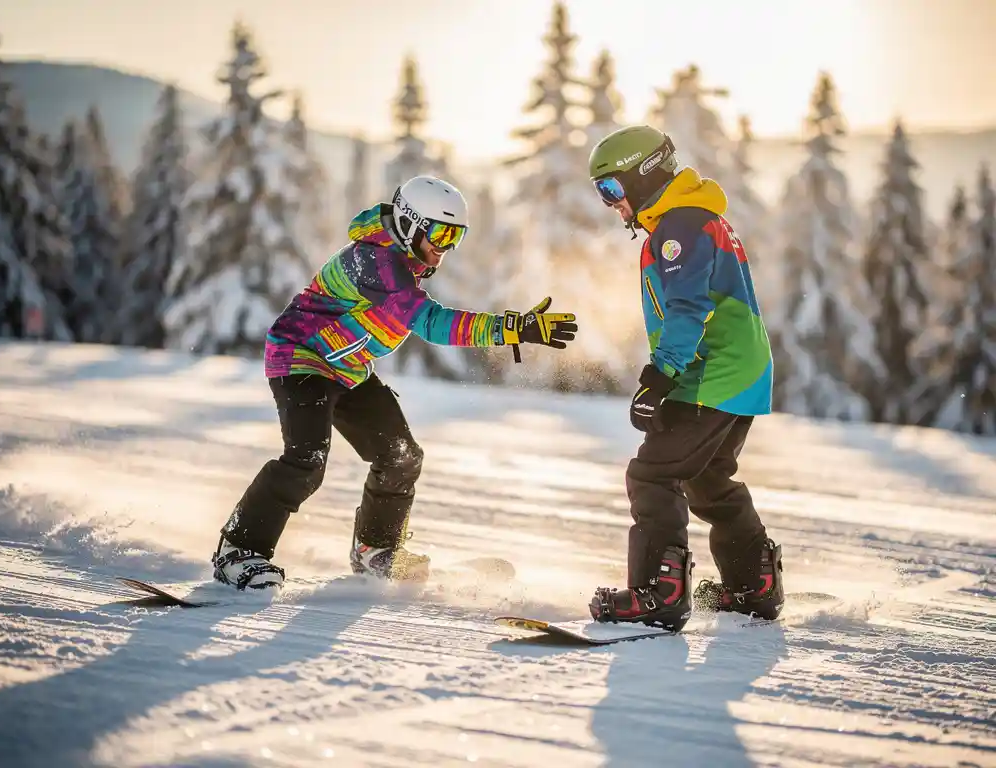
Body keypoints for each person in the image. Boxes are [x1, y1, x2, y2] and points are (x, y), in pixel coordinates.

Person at [212, 175, 578, 590]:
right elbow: (431, 322)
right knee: (307, 459)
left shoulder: (404, 262)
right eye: (439, 232)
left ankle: (375, 549)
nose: (445, 246)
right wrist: (509, 327)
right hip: (300, 359)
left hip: (347, 369)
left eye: (454, 236)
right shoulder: (377, 261)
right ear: (408, 224)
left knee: (401, 456)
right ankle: (237, 550)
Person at [585, 125, 784, 630]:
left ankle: (659, 593)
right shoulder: (692, 219)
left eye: (611, 189)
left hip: (710, 375)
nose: (610, 203)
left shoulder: (680, 227)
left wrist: (660, 375)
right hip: (740, 375)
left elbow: (688, 307)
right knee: (709, 478)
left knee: (652, 473)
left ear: (642, 175)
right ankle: (754, 586)